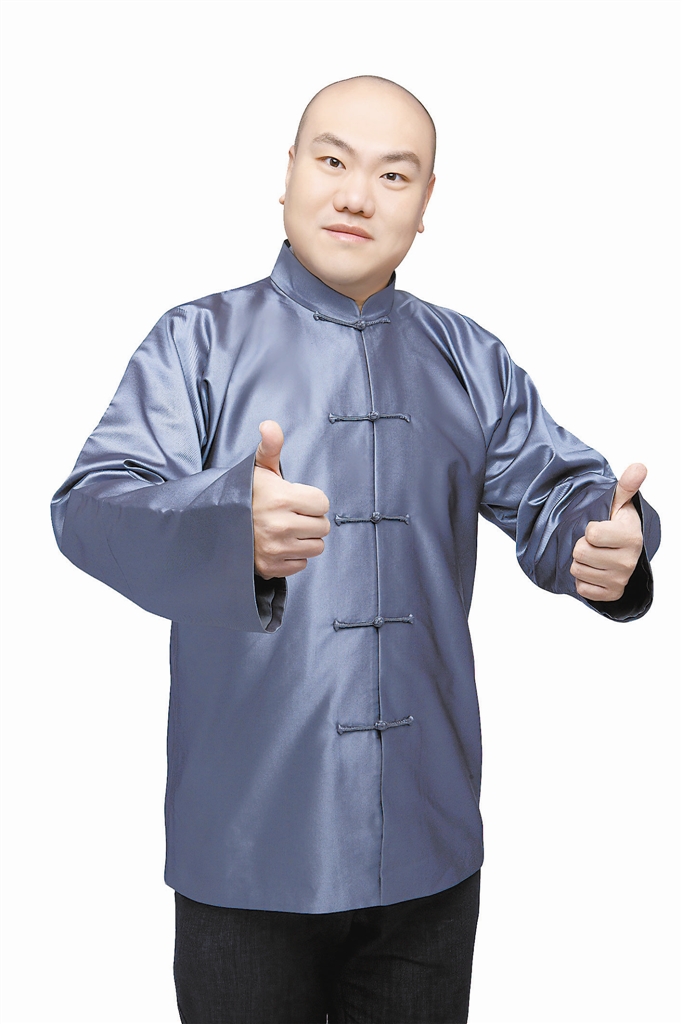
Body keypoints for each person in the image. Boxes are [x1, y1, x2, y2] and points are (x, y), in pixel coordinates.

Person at [50, 75, 661, 1024]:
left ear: (425, 204)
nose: (355, 195)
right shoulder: (196, 343)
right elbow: (91, 507)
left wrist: (609, 540)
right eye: (332, 160)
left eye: (394, 175)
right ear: (288, 172)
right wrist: (226, 520)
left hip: (430, 841)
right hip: (244, 848)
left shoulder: (469, 356)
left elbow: (558, 490)